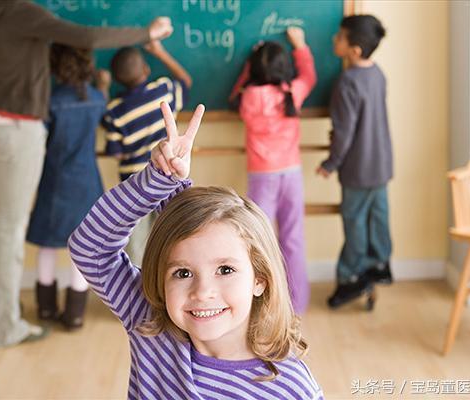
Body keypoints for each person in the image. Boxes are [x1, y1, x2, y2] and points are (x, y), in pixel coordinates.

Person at [68, 102, 324, 399]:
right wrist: (159, 181)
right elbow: (90, 248)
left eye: (225, 270)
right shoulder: (149, 321)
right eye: (183, 272)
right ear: (162, 280)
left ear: (260, 279)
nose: (203, 292)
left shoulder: (289, 387)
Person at [0, 0, 173, 347]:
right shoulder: (20, 12)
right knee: (8, 227)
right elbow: (85, 36)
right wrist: (147, 33)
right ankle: (2, 327)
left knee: (1, 224)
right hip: (17, 129)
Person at [229, 27, 317, 314]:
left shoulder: (249, 97)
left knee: (258, 238)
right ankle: (297, 303)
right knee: (293, 238)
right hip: (291, 173)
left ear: (254, 70)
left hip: (262, 175)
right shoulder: (291, 93)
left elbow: (235, 91)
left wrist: (247, 66)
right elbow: (309, 77)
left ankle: (264, 302)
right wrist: (300, 46)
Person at [25, 44, 110, 330]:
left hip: (55, 180)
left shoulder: (50, 100)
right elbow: (103, 113)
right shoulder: (96, 98)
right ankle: (75, 313)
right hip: (87, 182)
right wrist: (104, 86)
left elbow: (39, 137)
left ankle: (46, 309)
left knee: (48, 245)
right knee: (81, 249)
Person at [316, 15, 393, 309]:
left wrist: (330, 163)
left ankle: (350, 279)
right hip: (381, 163)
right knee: (378, 217)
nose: (334, 41)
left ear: (355, 50)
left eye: (340, 38)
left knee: (355, 223)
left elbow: (345, 134)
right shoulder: (378, 74)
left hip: (358, 169)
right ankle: (380, 264)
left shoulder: (347, 82)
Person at [102, 40, 192, 265]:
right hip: (168, 180)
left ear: (117, 79)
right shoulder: (164, 90)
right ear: (146, 69)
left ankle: (141, 294)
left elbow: (116, 153)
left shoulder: (115, 110)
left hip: (135, 188)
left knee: (138, 250)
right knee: (172, 242)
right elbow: (186, 81)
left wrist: (102, 88)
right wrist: (161, 52)